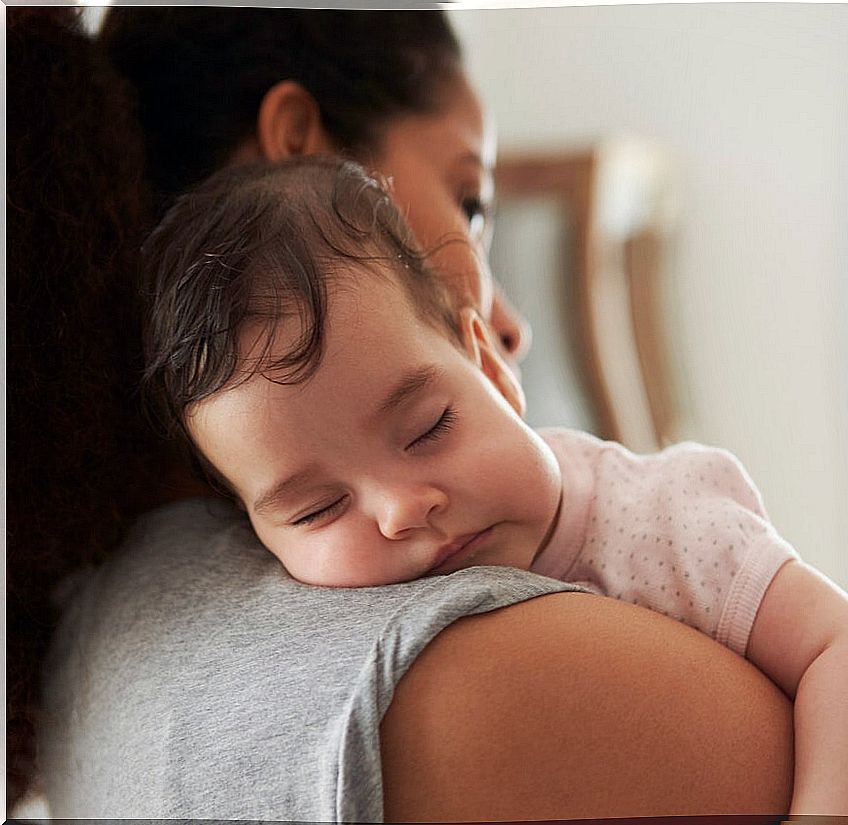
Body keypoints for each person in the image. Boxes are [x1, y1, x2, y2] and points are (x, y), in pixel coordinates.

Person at [15, 7, 801, 818]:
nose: (511, 327)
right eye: (469, 203)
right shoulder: (478, 682)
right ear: (302, 149)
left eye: (424, 426)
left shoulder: (87, 654)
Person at [140, 155, 848, 818]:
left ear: (487, 365)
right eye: (318, 507)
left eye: (426, 428)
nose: (402, 507)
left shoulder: (660, 515)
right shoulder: (334, 628)